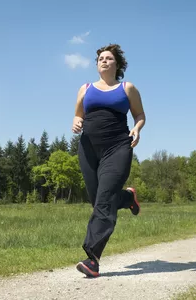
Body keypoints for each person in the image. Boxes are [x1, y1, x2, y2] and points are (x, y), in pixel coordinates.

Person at [71, 43, 146, 278]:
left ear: (117, 64)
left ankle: (92, 258)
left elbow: (140, 115)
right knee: (97, 200)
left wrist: (137, 128)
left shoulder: (127, 88)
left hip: (118, 147)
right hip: (89, 148)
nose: (104, 61)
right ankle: (127, 197)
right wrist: (75, 121)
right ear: (97, 65)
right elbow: (78, 114)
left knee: (103, 202)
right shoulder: (85, 88)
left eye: (109, 58)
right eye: (100, 58)